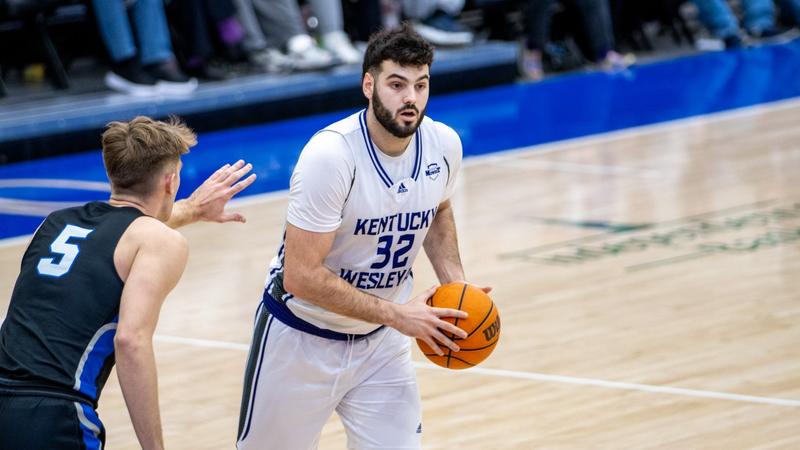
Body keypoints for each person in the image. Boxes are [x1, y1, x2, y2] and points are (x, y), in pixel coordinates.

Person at [236, 23, 487, 449]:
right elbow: (301, 275)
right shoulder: (331, 156)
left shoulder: (443, 145)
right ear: (368, 85)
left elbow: (439, 208)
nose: (411, 98)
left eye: (421, 85)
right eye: (397, 84)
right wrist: (398, 316)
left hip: (380, 346)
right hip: (301, 339)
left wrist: (456, 285)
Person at [0, 116, 256, 449]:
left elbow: (120, 234)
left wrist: (193, 209)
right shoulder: (160, 241)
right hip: (53, 414)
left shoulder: (53, 224)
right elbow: (130, 342)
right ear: (170, 181)